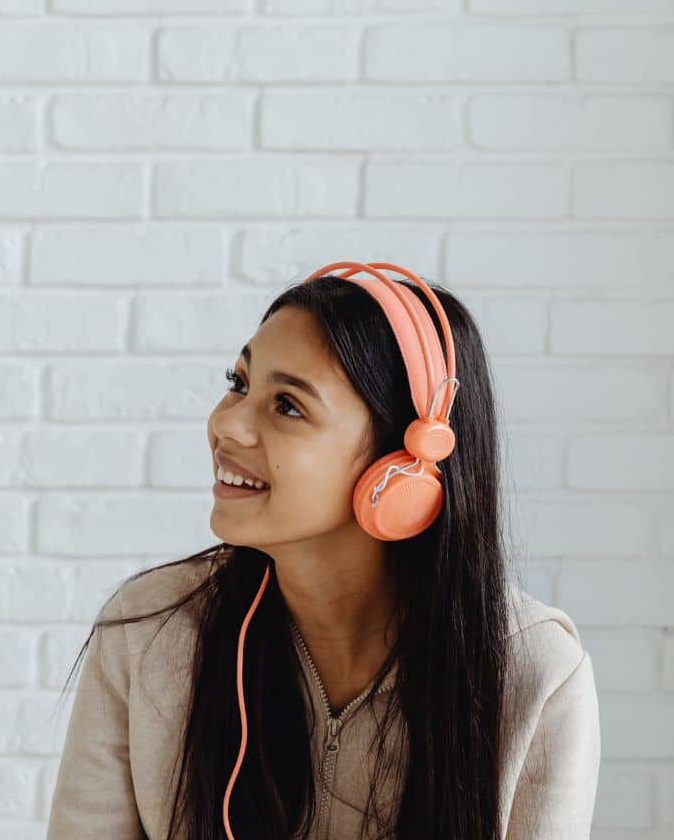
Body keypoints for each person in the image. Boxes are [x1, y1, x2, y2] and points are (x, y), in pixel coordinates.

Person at [44, 269, 600, 840]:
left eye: (287, 406)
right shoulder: (148, 631)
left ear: (403, 467)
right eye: (238, 383)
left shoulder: (534, 673)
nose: (225, 424)